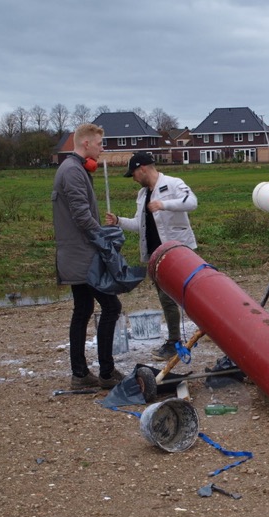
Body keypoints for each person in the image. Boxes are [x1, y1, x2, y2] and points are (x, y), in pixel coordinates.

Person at [105, 151, 198, 361]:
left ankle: (210, 329)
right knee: (167, 300)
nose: (134, 178)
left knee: (193, 295)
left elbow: (192, 202)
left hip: (179, 252)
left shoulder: (174, 184)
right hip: (157, 257)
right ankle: (174, 342)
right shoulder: (142, 195)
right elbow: (140, 225)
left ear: (143, 168)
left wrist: (164, 204)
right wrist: (118, 221)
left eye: (134, 174)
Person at [52, 123, 125, 389]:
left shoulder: (74, 169)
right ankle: (105, 373)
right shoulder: (72, 171)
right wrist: (104, 238)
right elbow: (82, 216)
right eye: (99, 144)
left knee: (83, 309)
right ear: (86, 144)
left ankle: (80, 375)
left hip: (79, 253)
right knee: (111, 307)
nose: (102, 148)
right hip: (82, 255)